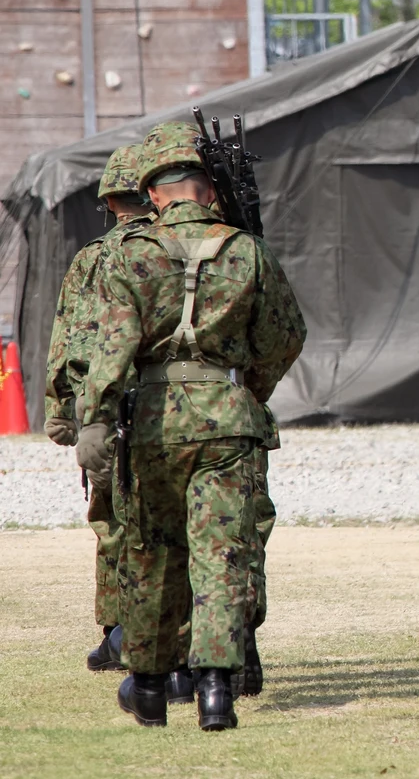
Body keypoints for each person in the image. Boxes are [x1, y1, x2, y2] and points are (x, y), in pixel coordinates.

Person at [74, 122, 306, 730]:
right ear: (206, 191)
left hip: (152, 424)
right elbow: (285, 336)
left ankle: (149, 685)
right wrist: (248, 388)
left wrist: (92, 420)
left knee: (153, 552)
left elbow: (111, 349)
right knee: (221, 554)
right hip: (228, 423)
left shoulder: (128, 254)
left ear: (153, 196)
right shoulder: (245, 249)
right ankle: (216, 692)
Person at [43, 143, 152, 679]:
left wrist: (63, 413)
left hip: (106, 412)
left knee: (113, 523)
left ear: (110, 200)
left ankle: (118, 632)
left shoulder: (94, 258)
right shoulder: (172, 249)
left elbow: (67, 342)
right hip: (171, 408)